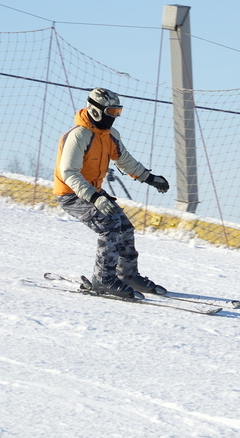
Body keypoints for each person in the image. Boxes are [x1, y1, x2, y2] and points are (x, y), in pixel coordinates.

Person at [53, 88, 171, 298]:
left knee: (125, 227)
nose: (114, 117)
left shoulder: (109, 135)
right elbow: (69, 173)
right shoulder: (79, 135)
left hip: (93, 192)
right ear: (96, 111)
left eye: (118, 112)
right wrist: (95, 198)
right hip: (72, 194)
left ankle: (127, 275)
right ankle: (103, 279)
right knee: (109, 226)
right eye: (111, 112)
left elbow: (124, 159)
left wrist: (149, 178)